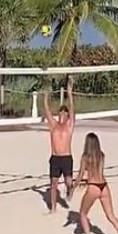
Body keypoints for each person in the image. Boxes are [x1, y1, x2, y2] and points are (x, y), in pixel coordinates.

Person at [75, 132, 118, 234]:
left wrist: (74, 186)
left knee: (83, 213)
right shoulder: (101, 155)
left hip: (93, 186)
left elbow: (81, 174)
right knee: (111, 216)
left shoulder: (85, 157)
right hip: (104, 186)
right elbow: (98, 172)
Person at [43, 78, 75, 213]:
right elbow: (46, 110)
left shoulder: (69, 126)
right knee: (53, 184)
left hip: (66, 157)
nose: (62, 114)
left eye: (64, 112)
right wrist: (46, 96)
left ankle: (69, 190)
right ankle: (53, 208)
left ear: (67, 116)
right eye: (60, 112)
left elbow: (72, 109)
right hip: (55, 158)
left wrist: (69, 92)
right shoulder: (53, 125)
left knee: (68, 181)